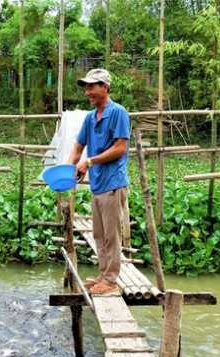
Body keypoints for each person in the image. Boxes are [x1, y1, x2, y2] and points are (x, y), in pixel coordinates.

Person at [67, 68, 130, 295]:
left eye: (91, 87)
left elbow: (120, 148)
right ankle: (103, 275)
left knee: (112, 235)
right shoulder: (90, 118)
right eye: (85, 87)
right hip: (98, 184)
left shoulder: (118, 113)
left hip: (113, 184)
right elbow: (77, 147)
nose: (87, 92)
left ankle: (111, 281)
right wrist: (68, 170)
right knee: (99, 235)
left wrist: (89, 162)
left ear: (105, 87)